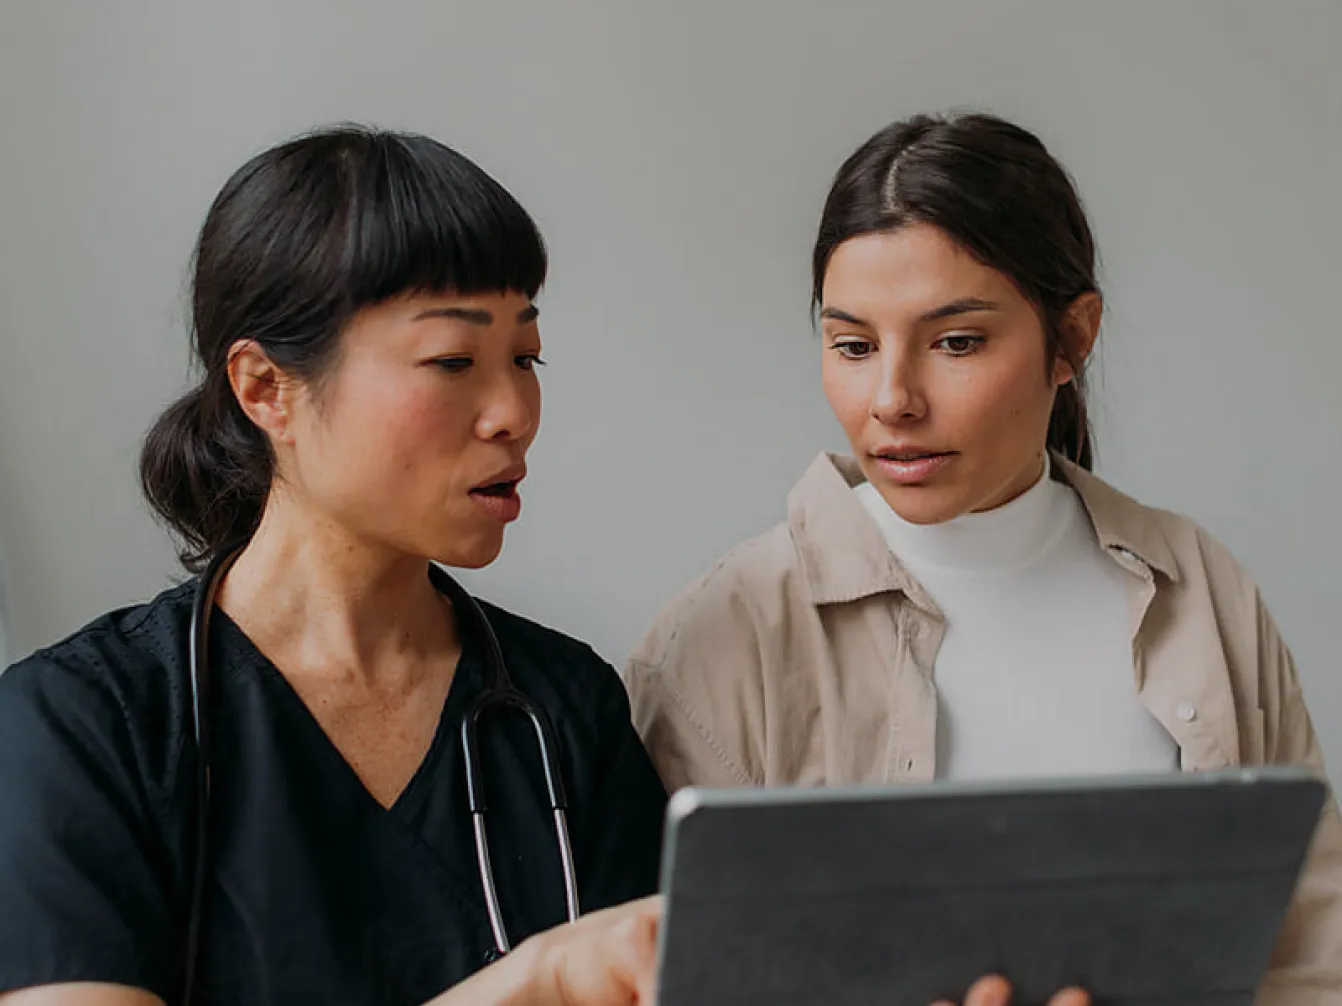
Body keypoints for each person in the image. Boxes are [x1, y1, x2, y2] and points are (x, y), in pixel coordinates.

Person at [624, 112, 1342, 1000]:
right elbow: (654, 976)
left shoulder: (1199, 590)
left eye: (956, 342)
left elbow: (1314, 956)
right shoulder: (725, 634)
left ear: (1073, 339)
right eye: (852, 345)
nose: (892, 399)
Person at [0, 126, 667, 1005]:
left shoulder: (565, 711)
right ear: (265, 388)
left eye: (525, 356)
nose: (513, 412)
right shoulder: (83, 725)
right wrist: (531, 982)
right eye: (454, 361)